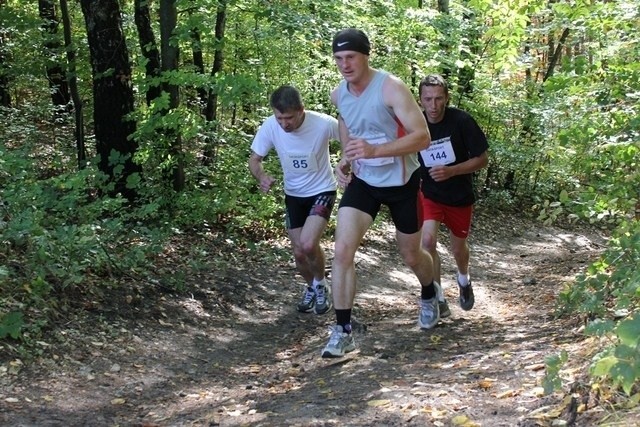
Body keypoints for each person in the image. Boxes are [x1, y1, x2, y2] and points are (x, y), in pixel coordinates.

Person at [321, 29, 441, 358]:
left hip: (402, 183)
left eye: (351, 58)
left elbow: (422, 138)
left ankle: (430, 293)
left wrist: (375, 150)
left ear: (365, 56)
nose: (345, 65)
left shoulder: (390, 88)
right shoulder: (339, 94)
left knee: (411, 255)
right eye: (339, 59)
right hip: (364, 184)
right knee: (342, 250)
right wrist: (347, 157)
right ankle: (343, 330)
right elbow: (347, 123)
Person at [249, 85, 340, 315]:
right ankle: (312, 287)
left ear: (301, 110)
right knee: (299, 253)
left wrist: (347, 164)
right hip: (294, 195)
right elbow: (254, 159)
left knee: (309, 244)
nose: (284, 124)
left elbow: (350, 139)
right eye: (279, 118)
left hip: (322, 190)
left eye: (288, 118)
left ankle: (321, 284)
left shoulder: (322, 123)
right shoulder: (270, 125)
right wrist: (261, 176)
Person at [417, 74, 489, 315]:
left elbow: (482, 159)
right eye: (428, 99)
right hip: (429, 194)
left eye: (438, 99)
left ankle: (464, 279)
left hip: (459, 196)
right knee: (427, 242)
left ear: (447, 98)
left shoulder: (462, 121)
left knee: (458, 249)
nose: (433, 105)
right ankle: (437, 297)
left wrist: (452, 171)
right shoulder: (414, 123)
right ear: (420, 100)